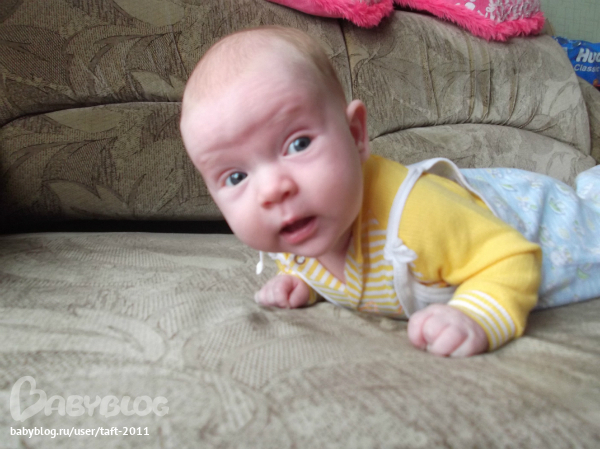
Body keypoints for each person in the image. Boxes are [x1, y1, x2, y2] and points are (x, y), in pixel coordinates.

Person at [180, 26, 600, 357]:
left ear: (355, 135)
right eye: (236, 177)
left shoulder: (417, 218)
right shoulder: (298, 226)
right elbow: (325, 263)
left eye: (299, 144)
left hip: (546, 223)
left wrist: (476, 315)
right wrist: (302, 281)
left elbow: (511, 257)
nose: (272, 190)